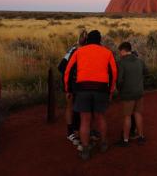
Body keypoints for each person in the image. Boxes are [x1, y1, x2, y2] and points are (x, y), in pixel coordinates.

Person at [64, 30, 117, 160]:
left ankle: (86, 150)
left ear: (87, 39)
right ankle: (104, 144)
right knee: (100, 117)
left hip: (82, 89)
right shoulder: (107, 52)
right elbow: (114, 73)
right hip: (101, 89)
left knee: (85, 120)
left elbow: (68, 71)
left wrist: (68, 89)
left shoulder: (79, 51)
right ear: (100, 40)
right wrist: (110, 91)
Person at [115, 42, 148, 147]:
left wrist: (119, 90)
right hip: (139, 92)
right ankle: (141, 137)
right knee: (138, 114)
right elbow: (146, 72)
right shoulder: (139, 61)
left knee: (127, 116)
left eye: (120, 51)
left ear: (123, 50)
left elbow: (119, 80)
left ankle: (125, 140)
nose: (119, 54)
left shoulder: (121, 63)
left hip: (127, 93)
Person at [57, 30, 87, 146]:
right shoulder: (75, 51)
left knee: (73, 107)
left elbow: (60, 67)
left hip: (72, 83)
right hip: (72, 83)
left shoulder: (72, 50)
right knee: (75, 107)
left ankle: (73, 131)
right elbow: (62, 67)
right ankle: (73, 132)